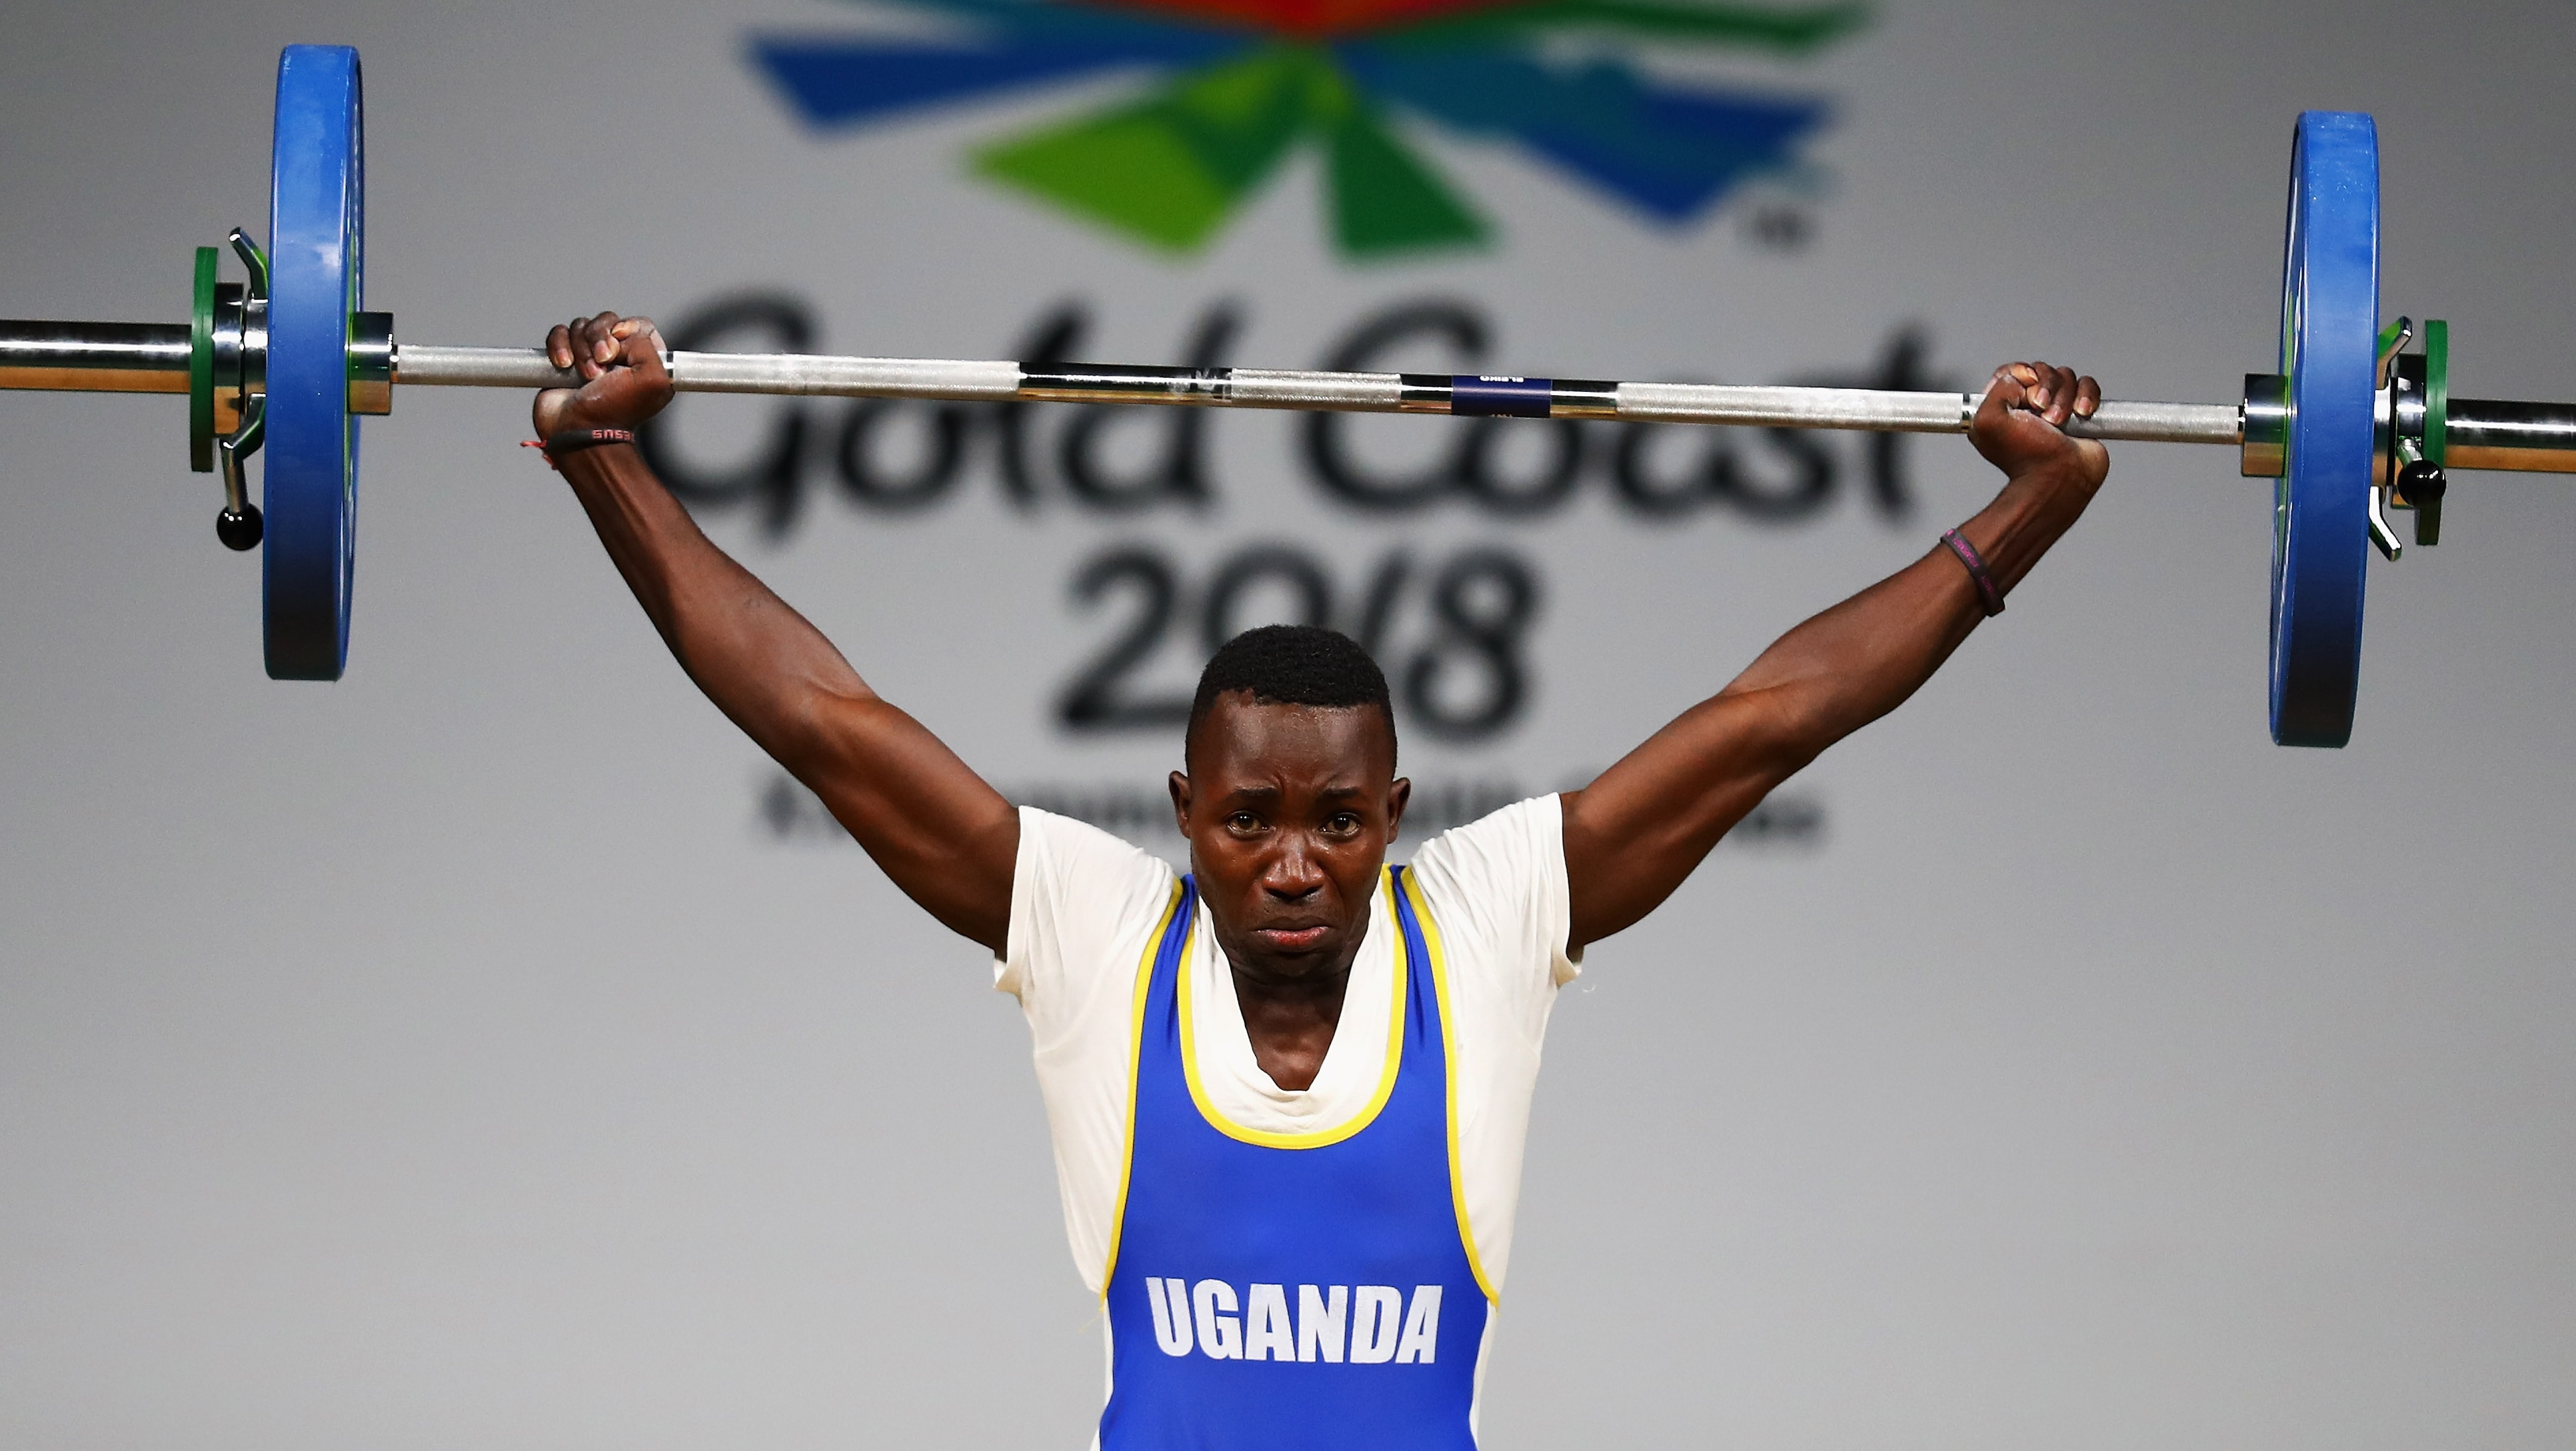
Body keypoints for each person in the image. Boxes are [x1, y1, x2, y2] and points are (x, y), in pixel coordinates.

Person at [533, 313, 2106, 1449]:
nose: (1294, 861)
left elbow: (1776, 715)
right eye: (1247, 819)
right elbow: (822, 722)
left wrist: (2020, 512)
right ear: (1183, 811)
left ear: (1399, 811)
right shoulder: (1097, 929)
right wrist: (605, 459)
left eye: (1341, 821)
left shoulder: (1484, 917)